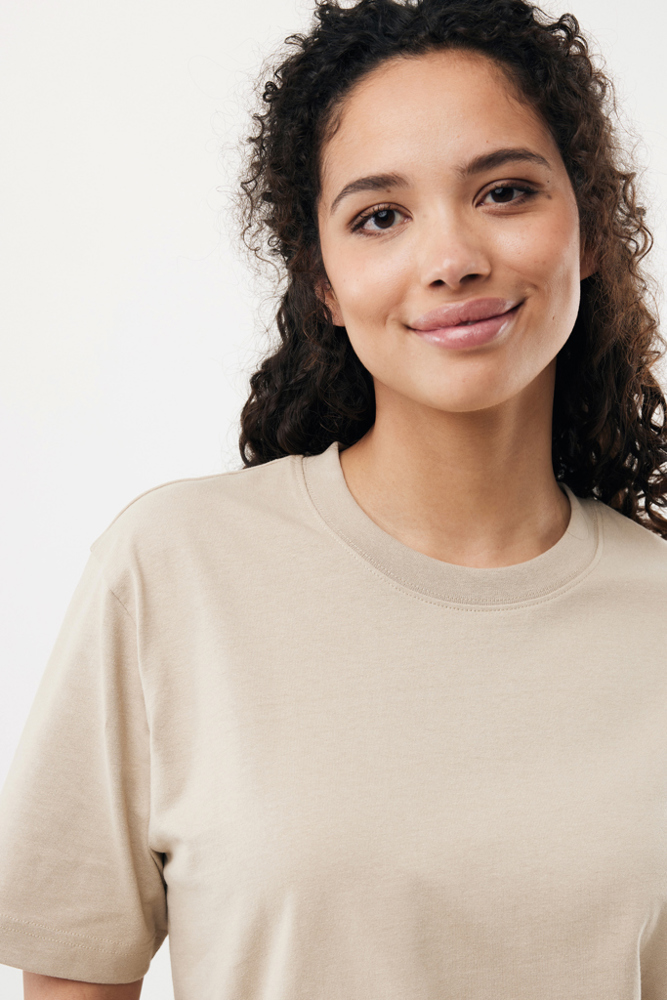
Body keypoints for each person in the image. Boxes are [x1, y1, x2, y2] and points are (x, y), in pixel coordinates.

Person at [2, 0, 667, 997]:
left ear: (588, 232)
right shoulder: (176, 570)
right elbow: (74, 979)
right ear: (321, 280)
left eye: (504, 191)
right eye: (380, 216)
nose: (452, 258)